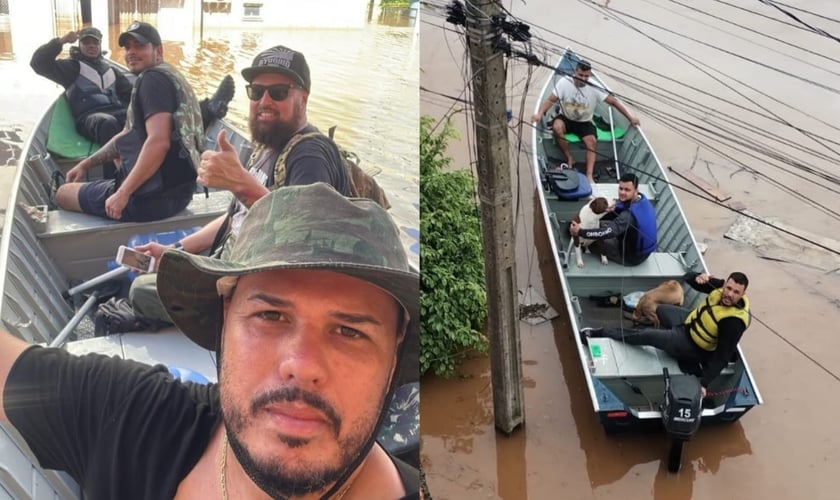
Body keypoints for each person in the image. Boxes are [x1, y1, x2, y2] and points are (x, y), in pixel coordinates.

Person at [0, 183, 420, 499]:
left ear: (394, 358)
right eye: (270, 316)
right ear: (224, 321)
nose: (302, 364)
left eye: (350, 331)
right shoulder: (130, 418)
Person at [126, 44, 350, 324]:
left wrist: (241, 183)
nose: (264, 101)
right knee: (155, 272)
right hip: (232, 260)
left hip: (264, 289)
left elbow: (306, 240)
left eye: (278, 92)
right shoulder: (269, 146)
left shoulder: (310, 155)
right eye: (256, 92)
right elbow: (235, 218)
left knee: (141, 292)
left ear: (302, 98)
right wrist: (178, 250)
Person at [54, 21, 207, 222]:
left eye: (140, 46)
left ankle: (118, 188)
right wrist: (86, 164)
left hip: (149, 202)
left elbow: (159, 142)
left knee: (63, 193)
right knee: (124, 147)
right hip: (181, 195)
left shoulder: (151, 81)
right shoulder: (171, 75)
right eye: (128, 47)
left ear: (158, 51)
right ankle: (209, 110)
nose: (131, 52)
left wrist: (122, 193)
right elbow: (126, 135)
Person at [584, 271, 751, 397]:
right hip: (687, 323)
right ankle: (667, 335)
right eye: (728, 288)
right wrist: (699, 277)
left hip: (692, 345)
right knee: (661, 309)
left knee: (647, 335)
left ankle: (602, 332)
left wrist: (704, 383)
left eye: (736, 292)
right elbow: (687, 278)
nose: (729, 294)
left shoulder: (733, 323)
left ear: (742, 294)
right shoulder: (720, 287)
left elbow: (722, 356)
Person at [31, 27, 133, 177]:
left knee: (139, 119)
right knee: (108, 124)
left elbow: (132, 94)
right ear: (80, 45)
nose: (91, 46)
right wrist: (61, 41)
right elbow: (38, 64)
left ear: (100, 45)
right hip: (91, 118)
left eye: (95, 43)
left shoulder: (112, 70)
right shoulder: (70, 68)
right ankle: (114, 181)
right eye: (86, 42)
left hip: (117, 112)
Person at [531, 60, 641, 183]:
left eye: (586, 76)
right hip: (566, 118)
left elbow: (614, 102)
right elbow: (551, 100)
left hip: (584, 121)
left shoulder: (594, 87)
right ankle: (569, 158)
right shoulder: (564, 82)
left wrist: (630, 118)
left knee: (592, 142)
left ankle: (589, 175)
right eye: (580, 75)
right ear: (575, 73)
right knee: (557, 128)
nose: (583, 78)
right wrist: (539, 114)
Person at [570, 172, 657, 266]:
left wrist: (580, 232)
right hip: (641, 250)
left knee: (593, 242)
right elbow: (618, 210)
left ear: (636, 190)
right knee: (601, 225)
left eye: (627, 190)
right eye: (621, 188)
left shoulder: (628, 216)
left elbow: (606, 232)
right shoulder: (641, 200)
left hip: (630, 257)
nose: (622, 192)